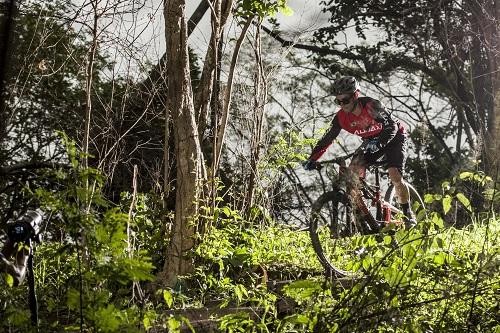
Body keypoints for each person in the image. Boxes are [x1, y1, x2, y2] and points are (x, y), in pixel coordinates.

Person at [303, 76, 416, 227]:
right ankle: (364, 219)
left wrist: (380, 142)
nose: (342, 105)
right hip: (370, 142)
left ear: (356, 95)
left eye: (345, 100)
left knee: (394, 175)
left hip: (394, 138)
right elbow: (327, 139)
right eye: (338, 101)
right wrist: (312, 158)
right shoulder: (341, 117)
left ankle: (407, 212)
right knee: (351, 178)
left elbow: (391, 126)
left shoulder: (371, 105)